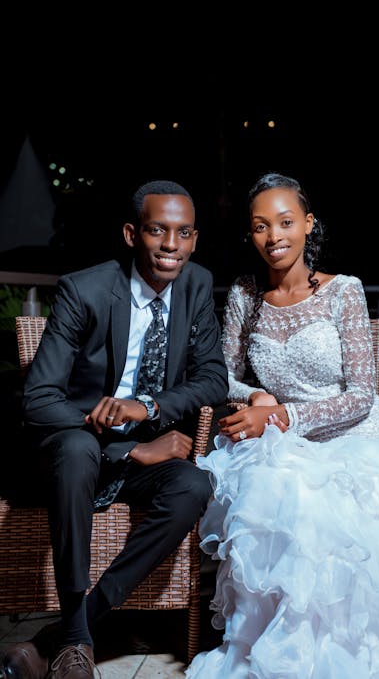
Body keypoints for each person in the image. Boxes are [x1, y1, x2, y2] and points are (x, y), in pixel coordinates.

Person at [186, 172, 379, 678]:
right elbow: (220, 374)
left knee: (353, 513)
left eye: (286, 222)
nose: (274, 237)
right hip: (287, 445)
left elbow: (361, 395)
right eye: (261, 226)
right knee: (276, 493)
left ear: (308, 225)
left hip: (359, 436)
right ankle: (291, 645)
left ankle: (367, 644)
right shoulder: (246, 294)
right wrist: (257, 395)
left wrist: (285, 415)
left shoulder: (343, 292)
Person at [0, 180, 228, 679]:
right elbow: (38, 400)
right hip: (68, 454)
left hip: (138, 442)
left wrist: (147, 408)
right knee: (81, 448)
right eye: (157, 230)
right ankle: (79, 647)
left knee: (193, 484)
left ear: (194, 239)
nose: (171, 245)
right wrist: (125, 452)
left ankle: (65, 632)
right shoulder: (84, 290)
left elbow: (213, 379)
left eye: (183, 232)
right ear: (131, 234)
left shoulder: (196, 286)